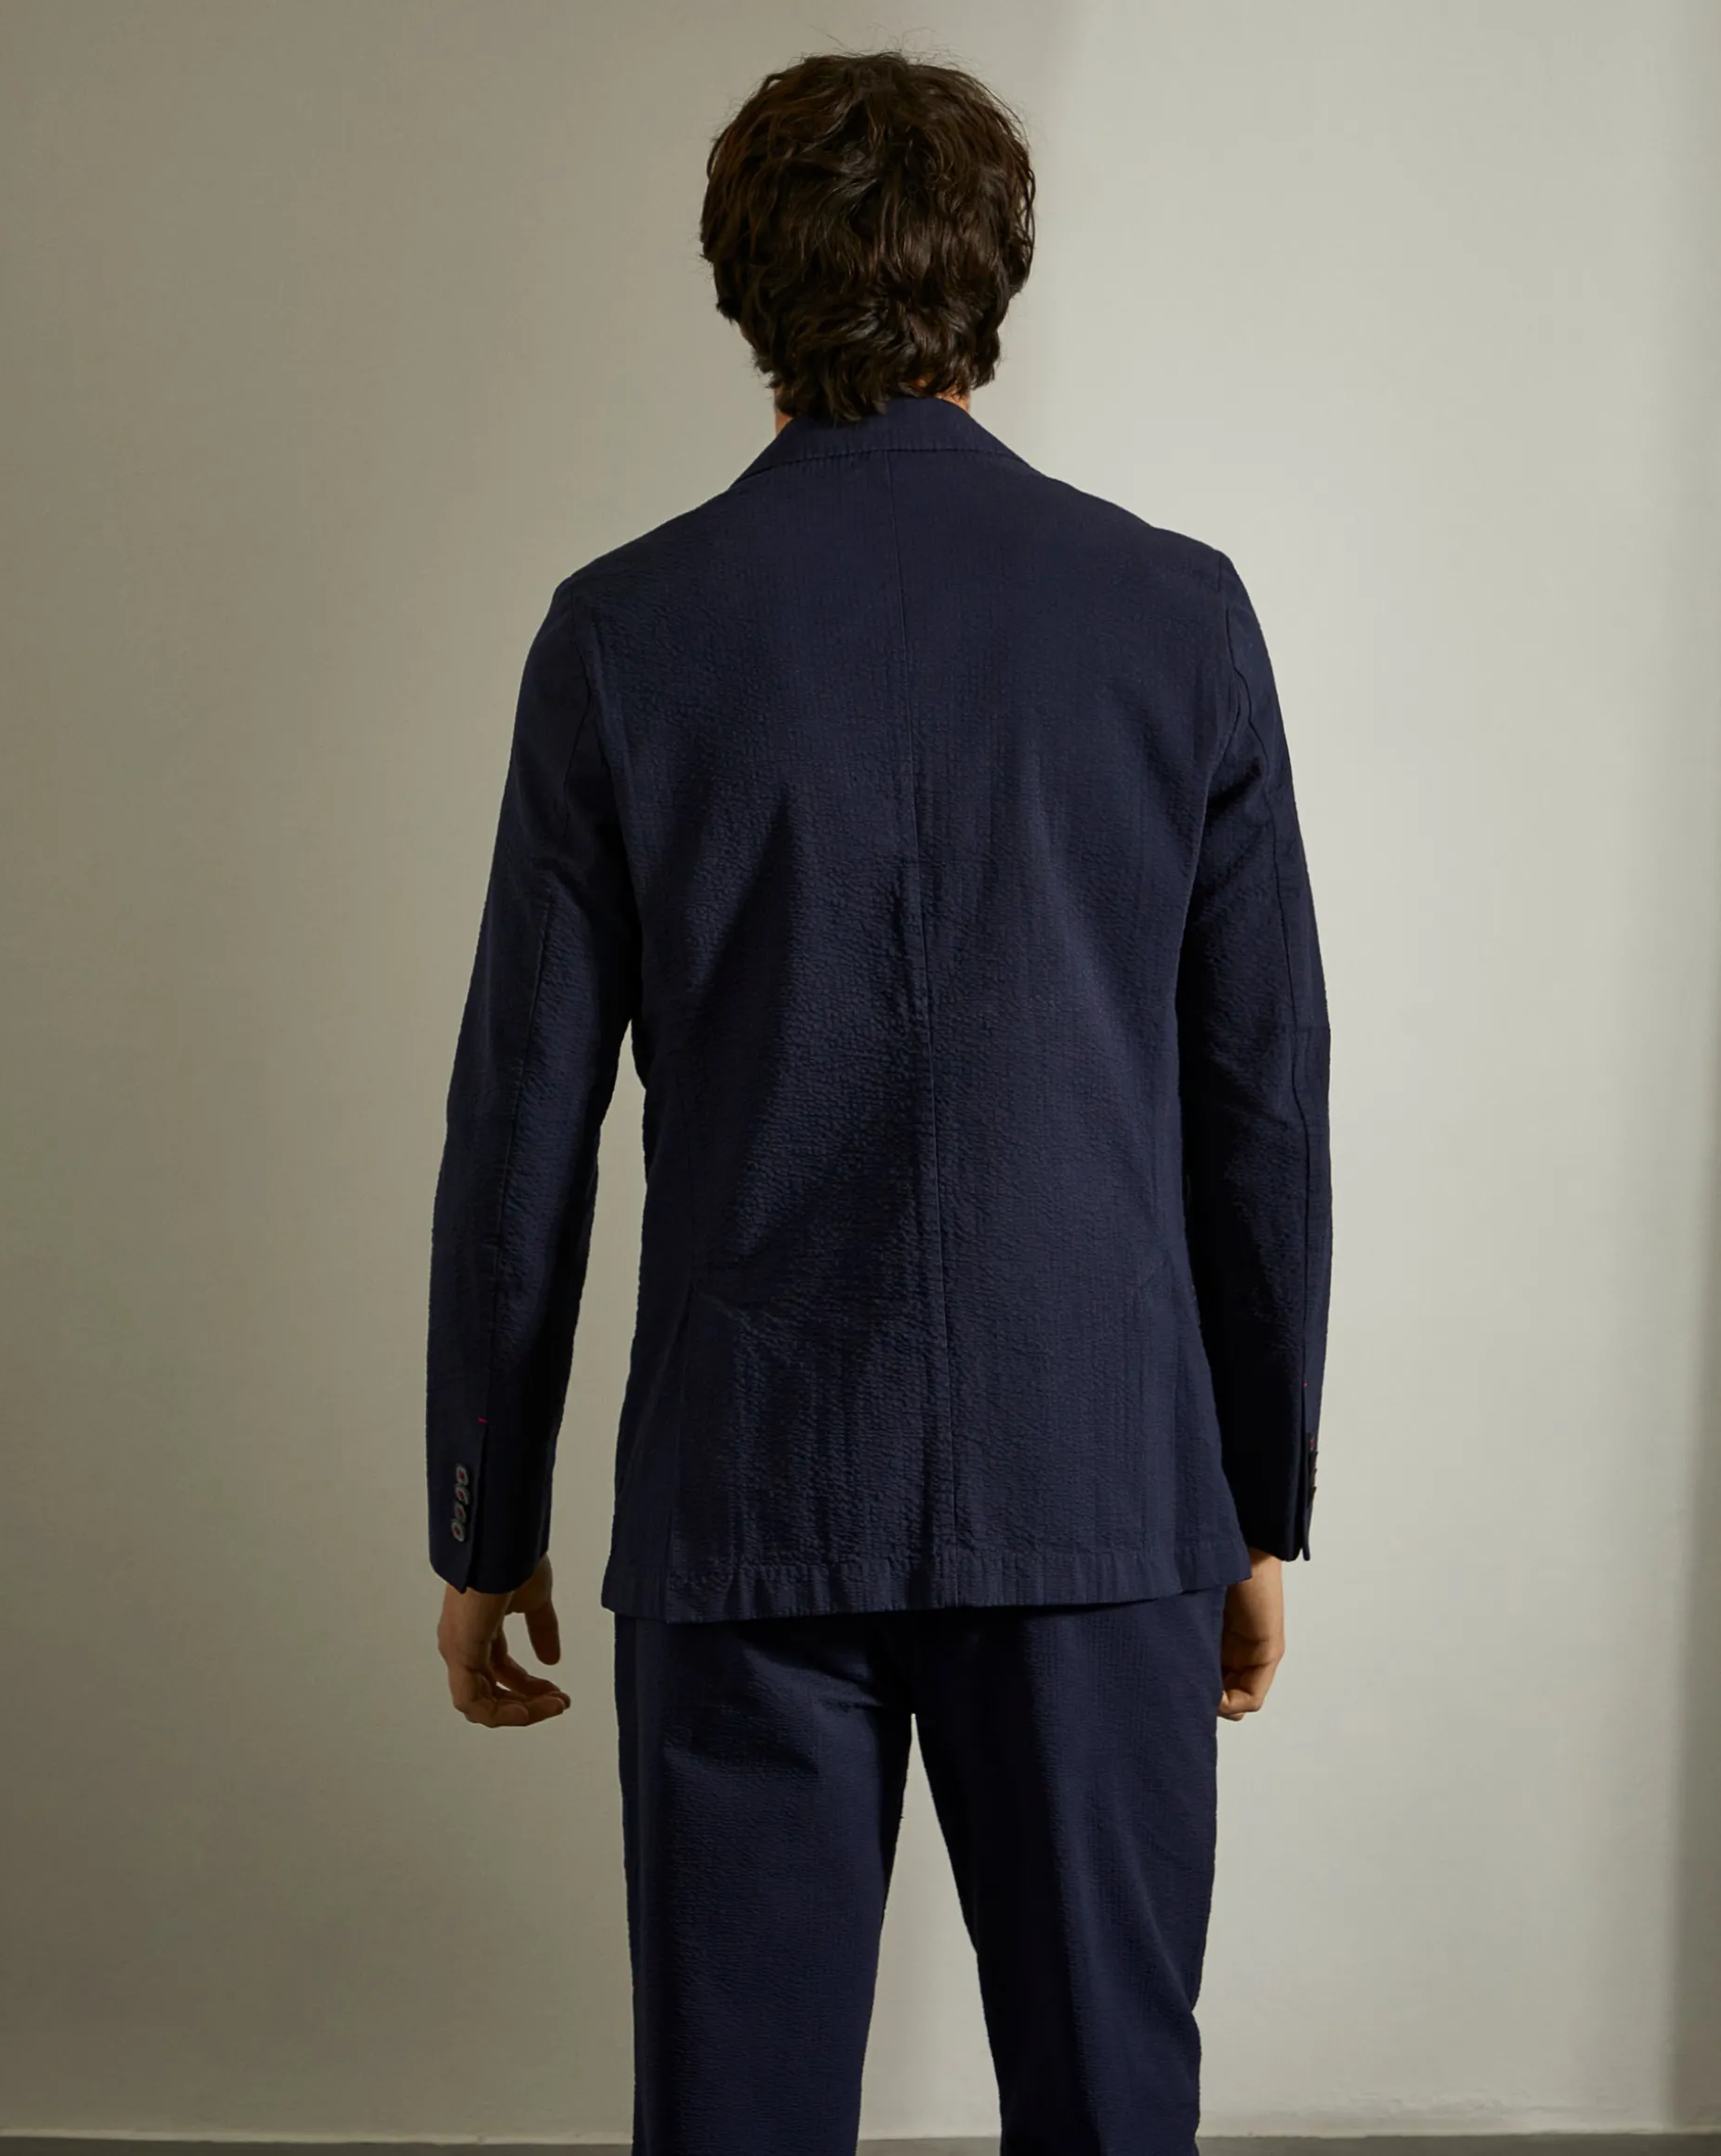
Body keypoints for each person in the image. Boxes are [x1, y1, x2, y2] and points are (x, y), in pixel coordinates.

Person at [425, 46, 1331, 2156]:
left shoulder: (623, 635)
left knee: (735, 2122)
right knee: (1115, 2112)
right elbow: (1262, 1105)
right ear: (991, 280)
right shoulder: (1174, 618)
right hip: (1100, 1489)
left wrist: (487, 1516)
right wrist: (1256, 1498)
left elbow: (521, 1121)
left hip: (748, 1503)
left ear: (742, 286)